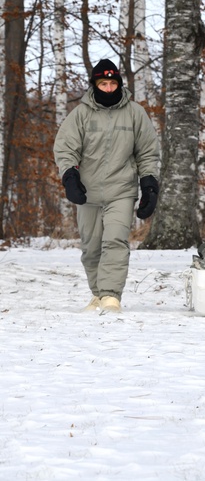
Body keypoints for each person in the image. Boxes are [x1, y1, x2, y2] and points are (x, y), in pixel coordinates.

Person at [53, 59, 161, 314]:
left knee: (115, 240)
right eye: (104, 83)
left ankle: (111, 296)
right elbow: (66, 147)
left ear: (120, 84)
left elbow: (147, 152)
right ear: (95, 85)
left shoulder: (135, 113)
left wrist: (149, 184)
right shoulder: (80, 114)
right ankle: (98, 293)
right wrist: (70, 177)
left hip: (121, 190)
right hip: (87, 191)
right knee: (91, 247)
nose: (109, 88)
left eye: (113, 83)